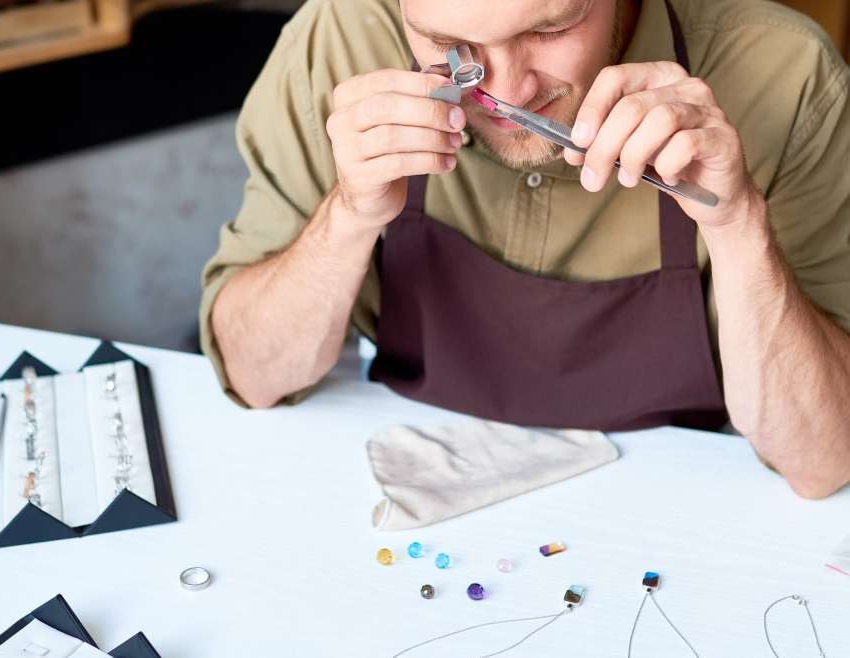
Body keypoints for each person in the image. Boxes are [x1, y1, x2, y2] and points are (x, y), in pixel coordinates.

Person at [200, 0, 850, 498]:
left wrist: (737, 224)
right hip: (401, 477)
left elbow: (824, 462)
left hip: (693, 504)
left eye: (548, 28)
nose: (508, 93)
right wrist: (348, 215)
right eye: (450, 46)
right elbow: (256, 376)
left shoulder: (782, 72)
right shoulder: (337, 39)